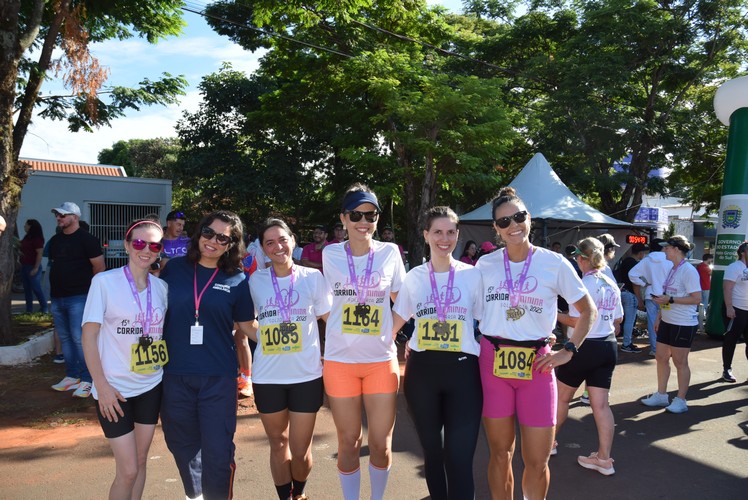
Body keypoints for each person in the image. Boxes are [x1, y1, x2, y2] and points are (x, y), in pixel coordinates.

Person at [475, 186, 596, 500]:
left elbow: (588, 311)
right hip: (494, 361)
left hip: (538, 364)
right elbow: (468, 312)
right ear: (496, 229)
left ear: (528, 218)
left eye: (519, 216)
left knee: (537, 458)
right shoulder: (485, 265)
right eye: (504, 222)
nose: (513, 225)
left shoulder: (553, 263)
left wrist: (568, 350)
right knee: (500, 453)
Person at [159, 211, 255, 500]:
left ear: (231, 244)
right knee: (180, 443)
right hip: (174, 374)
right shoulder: (173, 269)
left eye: (223, 237)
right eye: (209, 232)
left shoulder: (237, 280)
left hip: (218, 377)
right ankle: (195, 494)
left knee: (218, 449)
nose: (213, 240)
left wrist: (294, 338)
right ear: (199, 233)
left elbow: (248, 326)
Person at [392, 206, 483, 499]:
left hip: (464, 371)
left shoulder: (473, 276)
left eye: (451, 232)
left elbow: (492, 320)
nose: (444, 239)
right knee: (433, 452)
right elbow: (394, 323)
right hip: (423, 372)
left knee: (459, 457)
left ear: (457, 234)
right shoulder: (414, 277)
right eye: (438, 232)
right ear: (426, 235)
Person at [322, 184, 406, 500]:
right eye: (356, 214)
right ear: (344, 218)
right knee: (348, 442)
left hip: (379, 361)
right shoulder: (331, 254)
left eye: (370, 215)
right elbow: (321, 301)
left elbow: (404, 299)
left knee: (382, 444)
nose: (363, 221)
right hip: (340, 362)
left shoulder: (390, 253)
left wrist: (393, 329)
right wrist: (339, 326)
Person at [80, 217, 168, 500]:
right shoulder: (104, 282)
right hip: (114, 390)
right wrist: (101, 386)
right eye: (140, 243)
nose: (147, 250)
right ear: (128, 245)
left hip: (151, 385)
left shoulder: (162, 289)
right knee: (127, 470)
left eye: (154, 245)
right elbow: (89, 337)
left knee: (141, 463)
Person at [248, 218, 332, 500]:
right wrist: (269, 338)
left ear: (293, 242)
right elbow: (247, 323)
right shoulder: (255, 281)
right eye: (269, 242)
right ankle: (286, 497)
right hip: (267, 376)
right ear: (262, 248)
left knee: (299, 449)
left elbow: (329, 319)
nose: (277, 246)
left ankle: (300, 492)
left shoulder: (312, 278)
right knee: (277, 443)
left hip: (306, 375)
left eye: (282, 239)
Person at [555, 238, 623, 476]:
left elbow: (577, 320)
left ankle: (547, 444)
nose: (576, 261)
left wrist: (554, 314)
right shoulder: (610, 282)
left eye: (577, 258)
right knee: (601, 405)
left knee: (561, 398)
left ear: (582, 258)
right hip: (608, 347)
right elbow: (618, 320)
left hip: (583, 346)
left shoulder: (584, 283)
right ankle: (604, 459)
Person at [49, 202, 106, 398]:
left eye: (63, 215)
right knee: (65, 338)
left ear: (75, 217)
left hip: (79, 297)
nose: (59, 218)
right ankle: (72, 376)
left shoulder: (87, 239)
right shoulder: (56, 240)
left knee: (79, 339)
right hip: (58, 297)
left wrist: (90, 294)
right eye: (57, 215)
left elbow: (99, 267)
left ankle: (89, 379)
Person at [640, 236, 701, 414]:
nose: (664, 250)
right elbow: (667, 295)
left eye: (667, 248)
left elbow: (696, 299)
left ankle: (681, 400)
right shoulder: (672, 269)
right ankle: (661, 395)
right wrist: (659, 315)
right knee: (660, 357)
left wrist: (671, 299)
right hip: (668, 320)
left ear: (676, 249)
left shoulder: (688, 270)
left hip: (683, 322)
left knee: (680, 362)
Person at [629, 238, 673, 356]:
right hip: (666, 296)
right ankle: (667, 349)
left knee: (652, 322)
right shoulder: (669, 260)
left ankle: (655, 349)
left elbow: (632, 274)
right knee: (667, 321)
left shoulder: (646, 260)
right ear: (663, 247)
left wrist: (644, 284)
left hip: (651, 295)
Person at [615, 242, 649, 353]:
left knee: (621, 319)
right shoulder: (635, 264)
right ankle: (627, 343)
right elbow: (635, 284)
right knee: (630, 320)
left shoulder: (624, 261)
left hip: (621, 292)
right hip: (630, 294)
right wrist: (639, 300)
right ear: (640, 253)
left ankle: (622, 342)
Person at [721, 243, 748, 383]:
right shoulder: (735, 267)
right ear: (743, 252)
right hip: (736, 310)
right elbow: (727, 288)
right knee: (731, 340)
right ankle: (727, 369)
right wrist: (729, 307)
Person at [20, 219, 48, 313]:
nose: (24, 227)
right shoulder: (26, 237)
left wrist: (36, 267)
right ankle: (29, 310)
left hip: (32, 266)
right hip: (24, 265)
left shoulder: (37, 239)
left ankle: (44, 308)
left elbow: (39, 253)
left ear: (31, 226)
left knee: (36, 288)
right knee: (27, 289)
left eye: (26, 225)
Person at [696, 253, 713, 332]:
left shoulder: (699, 266)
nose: (711, 261)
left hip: (699, 288)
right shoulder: (706, 267)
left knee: (699, 306)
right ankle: (701, 325)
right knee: (705, 306)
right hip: (706, 287)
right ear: (708, 259)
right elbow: (712, 273)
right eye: (711, 259)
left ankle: (697, 323)